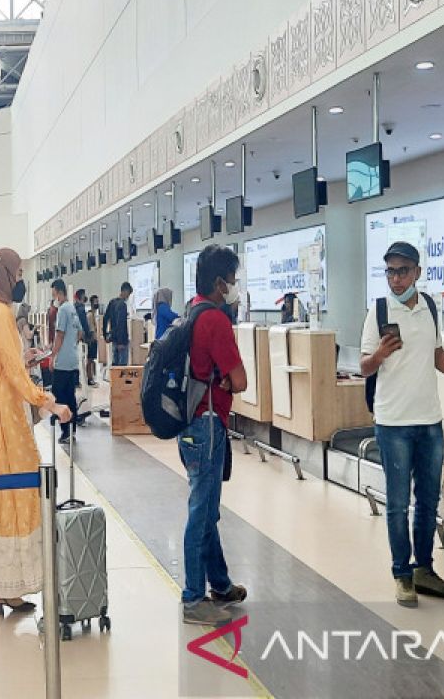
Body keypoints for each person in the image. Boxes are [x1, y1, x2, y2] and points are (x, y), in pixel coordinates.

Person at [361, 241, 444, 608]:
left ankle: (423, 568)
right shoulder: (377, 310)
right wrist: (380, 354)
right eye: (390, 271)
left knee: (427, 501)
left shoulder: (429, 308)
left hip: (429, 421)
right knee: (397, 504)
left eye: (402, 270)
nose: (395, 278)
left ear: (417, 272)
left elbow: (437, 355)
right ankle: (401, 574)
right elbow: (363, 367)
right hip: (393, 423)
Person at [0, 248, 71, 614]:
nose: (18, 281)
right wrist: (49, 402)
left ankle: (7, 585)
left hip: (4, 414)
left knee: (10, 497)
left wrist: (23, 359)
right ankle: (8, 584)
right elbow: (12, 377)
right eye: (15, 274)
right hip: (8, 419)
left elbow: (6, 365)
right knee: (16, 496)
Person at [180, 245, 249, 626]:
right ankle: (193, 598)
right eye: (233, 280)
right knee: (200, 513)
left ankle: (219, 585)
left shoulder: (192, 311)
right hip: (208, 425)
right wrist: (228, 379)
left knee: (207, 511)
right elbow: (239, 380)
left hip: (191, 424)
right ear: (220, 283)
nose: (235, 287)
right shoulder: (216, 320)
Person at [50, 279, 82, 445]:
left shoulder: (62, 310)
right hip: (73, 359)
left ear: (58, 291)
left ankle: (65, 431)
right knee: (70, 395)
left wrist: (53, 355)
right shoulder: (73, 309)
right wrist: (71, 347)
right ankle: (72, 429)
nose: (53, 296)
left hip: (62, 361)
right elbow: (79, 333)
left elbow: (60, 335)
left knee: (60, 395)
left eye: (53, 292)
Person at [103, 282, 132, 366]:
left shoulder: (112, 302)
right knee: (122, 367)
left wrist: (105, 335)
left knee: (115, 364)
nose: (128, 297)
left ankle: (114, 379)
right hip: (121, 340)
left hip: (113, 338)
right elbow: (120, 323)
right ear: (125, 291)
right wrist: (121, 342)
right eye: (128, 294)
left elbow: (105, 318)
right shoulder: (122, 305)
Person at [86, 295, 100, 386]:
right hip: (91, 340)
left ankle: (91, 377)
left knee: (91, 360)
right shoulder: (90, 315)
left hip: (94, 339)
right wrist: (93, 339)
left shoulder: (94, 314)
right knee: (90, 360)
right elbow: (91, 329)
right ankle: (90, 378)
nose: (97, 303)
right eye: (95, 302)